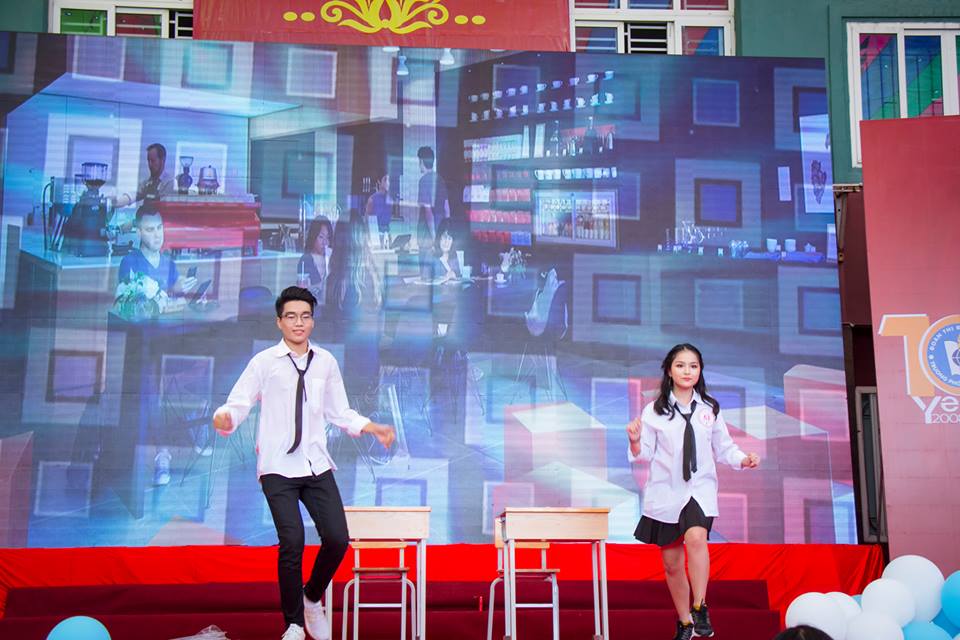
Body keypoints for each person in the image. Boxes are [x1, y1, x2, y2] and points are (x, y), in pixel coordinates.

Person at [213, 286, 395, 640]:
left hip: (315, 464)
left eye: (305, 316)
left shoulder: (325, 362)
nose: (299, 323)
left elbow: (339, 411)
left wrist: (371, 427)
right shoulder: (264, 362)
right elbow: (238, 403)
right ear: (279, 322)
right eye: (291, 316)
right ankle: (294, 624)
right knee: (292, 541)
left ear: (312, 321)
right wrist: (225, 418)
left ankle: (312, 597)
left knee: (338, 539)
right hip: (277, 466)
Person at [626, 343, 760, 640]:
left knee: (697, 537)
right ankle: (685, 622)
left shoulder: (709, 408)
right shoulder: (654, 410)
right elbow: (644, 453)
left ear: (700, 371)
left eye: (693, 366)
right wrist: (635, 440)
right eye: (681, 365)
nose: (687, 371)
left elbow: (724, 447)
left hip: (700, 488)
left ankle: (700, 606)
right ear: (669, 371)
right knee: (672, 565)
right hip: (666, 492)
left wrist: (743, 459)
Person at [325, 213, 383, 402]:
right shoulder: (373, 278)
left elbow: (331, 326)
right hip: (371, 366)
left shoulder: (337, 281)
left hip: (345, 369)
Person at [118, 203, 197, 296]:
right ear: (139, 233)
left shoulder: (169, 263)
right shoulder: (129, 262)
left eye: (159, 228)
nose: (157, 235)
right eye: (150, 230)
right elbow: (129, 300)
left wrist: (179, 287)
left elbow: (174, 297)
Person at [416, 146, 449, 267]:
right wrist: (445, 233)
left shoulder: (423, 181)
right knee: (439, 269)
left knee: (426, 271)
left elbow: (428, 212)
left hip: (427, 235)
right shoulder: (440, 179)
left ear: (421, 161)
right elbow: (447, 208)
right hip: (441, 231)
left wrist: (434, 238)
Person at [113, 143, 175, 208]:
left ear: (162, 160)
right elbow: (135, 194)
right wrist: (115, 203)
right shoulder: (148, 182)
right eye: (148, 160)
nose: (150, 165)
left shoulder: (170, 183)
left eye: (153, 161)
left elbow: (162, 209)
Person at [296, 216, 334, 303]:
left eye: (328, 238)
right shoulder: (305, 260)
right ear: (313, 237)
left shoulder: (331, 259)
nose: (325, 242)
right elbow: (304, 291)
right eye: (321, 237)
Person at [364, 173, 393, 250]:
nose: (388, 183)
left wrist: (389, 237)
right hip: (375, 236)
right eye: (385, 180)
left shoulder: (390, 199)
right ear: (379, 182)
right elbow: (366, 220)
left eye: (389, 180)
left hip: (387, 235)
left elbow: (388, 221)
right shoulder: (372, 199)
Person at [432, 218, 461, 282]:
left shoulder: (454, 257)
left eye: (449, 238)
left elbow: (459, 277)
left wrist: (454, 275)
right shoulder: (432, 259)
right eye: (444, 237)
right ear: (439, 238)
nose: (446, 242)